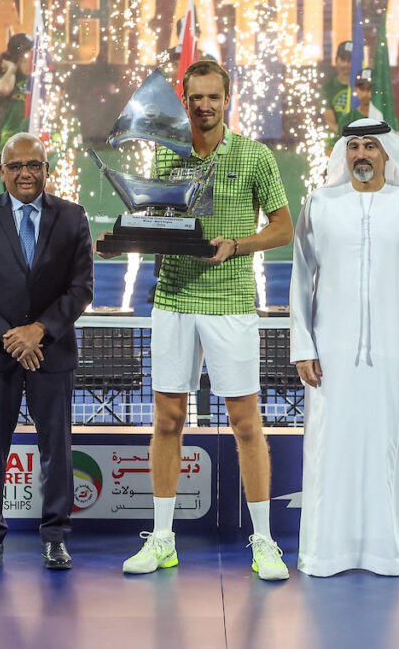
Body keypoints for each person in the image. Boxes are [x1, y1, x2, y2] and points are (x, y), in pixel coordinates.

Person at [98, 60, 294, 581]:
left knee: (246, 425)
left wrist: (237, 246)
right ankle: (162, 539)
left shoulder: (254, 156)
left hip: (231, 304)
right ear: (184, 100)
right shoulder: (168, 157)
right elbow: (161, 224)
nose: (204, 105)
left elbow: (283, 229)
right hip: (174, 301)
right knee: (167, 420)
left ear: (228, 99)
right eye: (196, 97)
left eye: (214, 97)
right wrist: (124, 243)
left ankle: (265, 541)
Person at [290, 118, 399, 577]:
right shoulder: (319, 204)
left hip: (394, 359)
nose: (361, 154)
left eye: (370, 146)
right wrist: (302, 344)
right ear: (343, 154)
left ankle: (385, 554)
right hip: (329, 355)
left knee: (386, 452)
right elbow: (298, 279)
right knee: (326, 451)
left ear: (387, 154)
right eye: (353, 146)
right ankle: (322, 553)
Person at [0, 133, 93, 571]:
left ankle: (55, 538)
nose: (26, 173)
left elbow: (81, 289)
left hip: (53, 354)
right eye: (16, 166)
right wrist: (10, 337)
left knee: (58, 448)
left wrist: (39, 331)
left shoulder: (72, 217)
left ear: (47, 170)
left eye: (34, 165)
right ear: (2, 171)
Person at [0, 34, 34, 148]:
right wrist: (11, 70)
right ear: (16, 58)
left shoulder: (37, 76)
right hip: (11, 139)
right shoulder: (9, 76)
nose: (27, 63)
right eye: (23, 59)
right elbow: (4, 90)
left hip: (33, 137)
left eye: (30, 58)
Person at [336, 68, 383, 134]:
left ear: (377, 90)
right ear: (355, 89)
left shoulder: (384, 117)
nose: (365, 94)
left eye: (369, 88)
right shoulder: (347, 120)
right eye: (361, 88)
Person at [321, 41, 353, 136]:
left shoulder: (364, 88)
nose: (346, 64)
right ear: (336, 60)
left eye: (350, 60)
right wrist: (351, 137)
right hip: (334, 144)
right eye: (343, 59)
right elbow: (330, 124)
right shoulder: (327, 89)